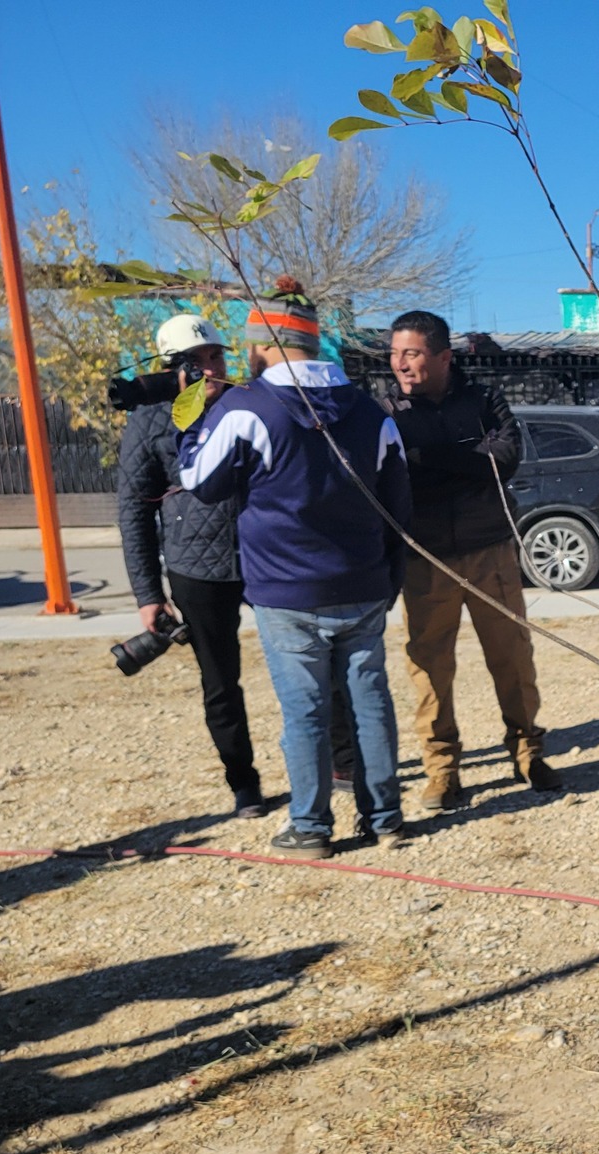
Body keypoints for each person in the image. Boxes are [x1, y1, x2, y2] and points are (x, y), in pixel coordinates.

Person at [179, 276, 414, 859]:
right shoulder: (369, 411)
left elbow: (198, 483)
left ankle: (310, 827)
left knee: (305, 711)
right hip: (362, 584)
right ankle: (385, 818)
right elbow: (399, 503)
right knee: (370, 703)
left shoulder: (246, 407)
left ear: (263, 345)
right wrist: (389, 576)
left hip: (286, 591)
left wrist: (194, 420)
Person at [384, 309, 558, 808]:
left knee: (513, 658)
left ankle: (529, 753)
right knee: (430, 668)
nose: (400, 364)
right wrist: (467, 460)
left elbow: (505, 459)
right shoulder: (388, 412)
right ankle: (442, 771)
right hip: (426, 558)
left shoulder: (483, 399)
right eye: (395, 354)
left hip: (491, 550)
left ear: (442, 356)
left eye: (412, 353)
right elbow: (396, 474)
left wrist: (429, 456)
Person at [115, 313, 265, 819]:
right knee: (221, 682)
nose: (210, 369)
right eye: (195, 362)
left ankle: (339, 762)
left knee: (312, 660)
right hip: (197, 569)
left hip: (270, 556)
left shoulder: (251, 404)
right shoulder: (149, 421)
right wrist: (147, 594)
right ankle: (243, 782)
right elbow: (134, 509)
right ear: (171, 369)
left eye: (216, 356)